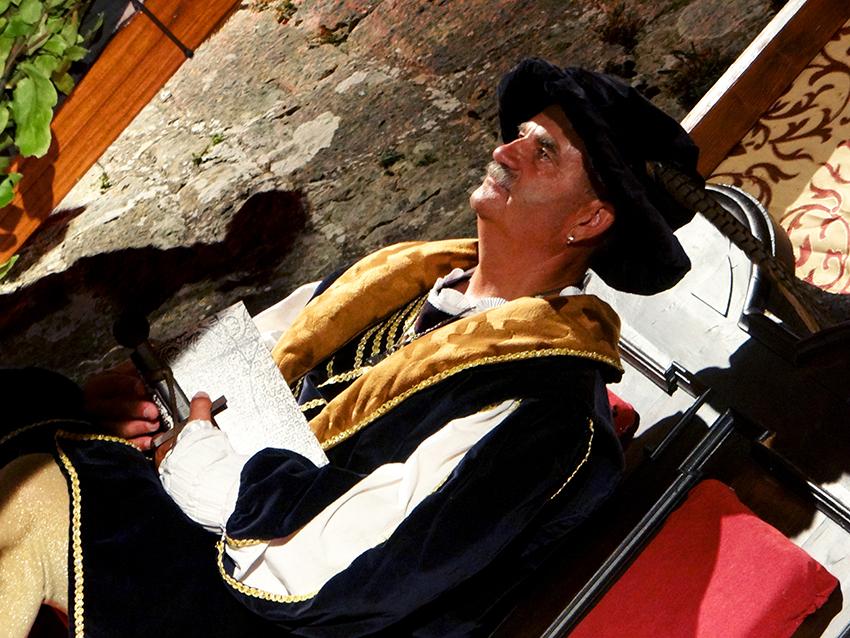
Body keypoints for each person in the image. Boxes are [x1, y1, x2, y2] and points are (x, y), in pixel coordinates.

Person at [0, 58, 701, 637]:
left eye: (542, 150)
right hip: (218, 527)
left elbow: (360, 573)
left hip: (286, 607)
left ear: (589, 219)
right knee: (36, 435)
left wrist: (205, 465)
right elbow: (238, 365)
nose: (503, 150)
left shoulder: (550, 413)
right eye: (518, 133)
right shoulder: (397, 278)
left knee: (39, 495)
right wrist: (147, 403)